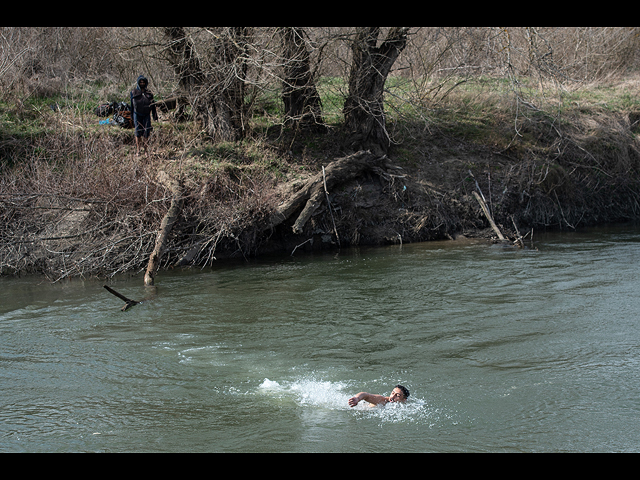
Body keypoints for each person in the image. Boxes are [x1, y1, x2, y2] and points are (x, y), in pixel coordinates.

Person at [130, 75, 159, 157]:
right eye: (141, 82)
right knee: (137, 133)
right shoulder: (133, 92)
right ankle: (138, 150)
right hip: (137, 114)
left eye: (143, 82)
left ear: (146, 83)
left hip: (146, 115)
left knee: (146, 133)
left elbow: (153, 106)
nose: (142, 83)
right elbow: (131, 106)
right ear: (138, 83)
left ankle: (146, 151)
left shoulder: (149, 93)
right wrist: (131, 116)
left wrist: (155, 116)